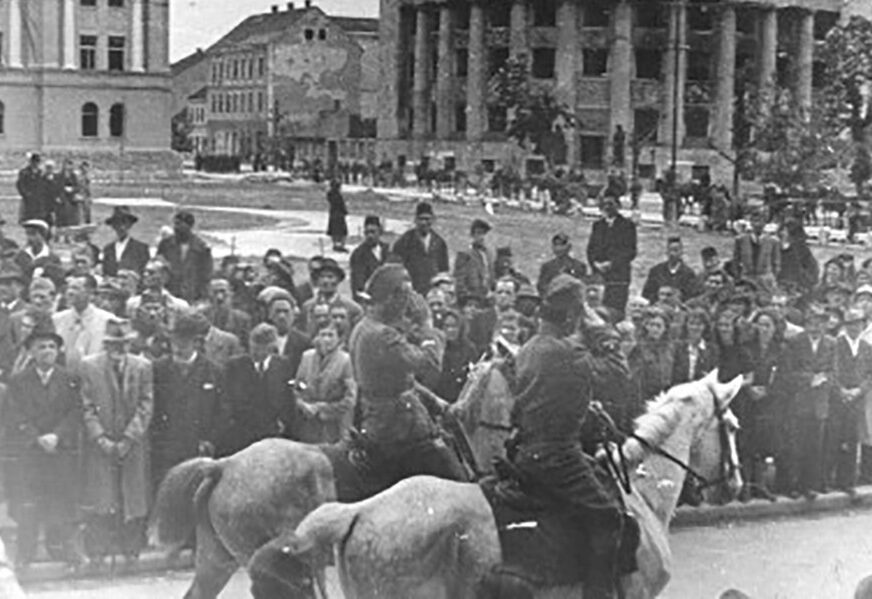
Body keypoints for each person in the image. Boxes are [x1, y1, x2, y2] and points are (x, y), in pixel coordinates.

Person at [507, 274, 633, 599]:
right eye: (580, 314)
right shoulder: (566, 353)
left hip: (527, 451)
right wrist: (600, 328)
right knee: (608, 517)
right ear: (572, 317)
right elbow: (619, 373)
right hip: (558, 457)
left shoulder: (530, 348)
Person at [349, 263, 466, 488]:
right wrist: (427, 324)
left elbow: (401, 381)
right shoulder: (382, 335)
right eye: (406, 296)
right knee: (457, 479)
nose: (409, 304)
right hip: (398, 428)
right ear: (393, 298)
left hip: (377, 418)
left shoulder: (364, 326)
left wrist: (435, 402)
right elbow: (430, 364)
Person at [3, 329, 81, 571]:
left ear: (58, 351)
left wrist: (57, 435)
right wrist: (37, 438)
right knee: (29, 505)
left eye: (51, 347)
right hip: (32, 453)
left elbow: (75, 412)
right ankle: (25, 556)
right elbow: (15, 415)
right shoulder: (18, 381)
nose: (47, 352)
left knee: (62, 503)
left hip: (59, 451)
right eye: (40, 347)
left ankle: (67, 555)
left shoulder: (69, 379)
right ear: (30, 352)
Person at [79, 318, 154, 566]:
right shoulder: (89, 366)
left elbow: (146, 404)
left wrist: (129, 438)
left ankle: (131, 552)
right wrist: (100, 437)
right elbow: (86, 405)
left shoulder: (143, 366)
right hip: (101, 444)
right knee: (102, 498)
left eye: (124, 343)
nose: (119, 348)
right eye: (113, 343)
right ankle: (98, 553)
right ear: (105, 343)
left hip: (132, 444)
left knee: (131, 498)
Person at [150, 311, 225, 492]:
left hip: (198, 447)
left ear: (197, 343)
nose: (178, 347)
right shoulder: (158, 369)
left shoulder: (213, 371)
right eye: (175, 340)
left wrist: (210, 440)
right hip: (166, 447)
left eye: (184, 341)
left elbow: (222, 410)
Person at [779, 304, 835, 500]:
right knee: (795, 445)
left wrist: (826, 379)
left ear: (825, 325)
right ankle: (792, 485)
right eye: (811, 323)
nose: (815, 327)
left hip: (820, 403)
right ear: (806, 324)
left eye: (820, 324)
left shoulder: (831, 343)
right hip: (798, 401)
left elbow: (835, 371)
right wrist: (809, 379)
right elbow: (786, 374)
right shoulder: (795, 342)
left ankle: (809, 485)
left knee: (815, 446)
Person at [219, 324, 298, 456]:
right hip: (241, 433)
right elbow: (226, 398)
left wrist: (283, 423)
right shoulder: (234, 366)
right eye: (254, 348)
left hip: (271, 433)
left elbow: (288, 399)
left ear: (271, 348)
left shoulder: (283, 366)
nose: (257, 353)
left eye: (262, 349)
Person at [735, 309, 784, 501]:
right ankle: (746, 485)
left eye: (767, 325)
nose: (763, 329)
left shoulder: (780, 349)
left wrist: (768, 391)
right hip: (747, 401)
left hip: (770, 402)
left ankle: (760, 484)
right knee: (747, 442)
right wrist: (749, 390)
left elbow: (785, 377)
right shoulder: (746, 347)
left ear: (774, 328)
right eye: (760, 324)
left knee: (764, 443)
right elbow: (739, 372)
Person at [827, 307, 872, 497]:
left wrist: (859, 390)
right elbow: (831, 371)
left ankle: (847, 481)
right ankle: (829, 478)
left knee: (852, 438)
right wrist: (841, 391)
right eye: (851, 324)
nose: (854, 328)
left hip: (856, 398)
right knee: (835, 437)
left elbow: (870, 374)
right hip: (838, 398)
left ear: (863, 325)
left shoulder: (866, 347)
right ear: (845, 326)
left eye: (858, 323)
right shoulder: (836, 345)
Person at [293, 323, 357, 444]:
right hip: (309, 427)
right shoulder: (306, 357)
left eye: (330, 335)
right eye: (322, 335)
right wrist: (302, 405)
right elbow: (298, 387)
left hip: (334, 429)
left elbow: (350, 399)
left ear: (339, 339)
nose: (326, 339)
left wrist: (322, 408)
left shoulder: (346, 361)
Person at [52, 273, 113, 372]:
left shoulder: (107, 320)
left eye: (76, 288)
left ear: (90, 293)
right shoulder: (57, 320)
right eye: (68, 288)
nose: (70, 292)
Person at [587, 195, 637, 317]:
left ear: (618, 206)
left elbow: (630, 251)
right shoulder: (597, 226)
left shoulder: (627, 226)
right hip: (599, 274)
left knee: (616, 310)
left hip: (619, 275)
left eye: (611, 204)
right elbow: (591, 249)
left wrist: (612, 264)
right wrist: (595, 263)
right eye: (604, 204)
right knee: (597, 309)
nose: (608, 207)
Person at [391, 202, 449, 295]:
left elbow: (443, 272)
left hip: (432, 295)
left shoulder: (439, 243)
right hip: (410, 293)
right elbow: (394, 270)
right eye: (421, 219)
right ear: (415, 220)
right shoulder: (404, 242)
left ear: (433, 220)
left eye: (427, 219)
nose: (424, 223)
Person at [156, 211, 213, 303]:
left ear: (189, 226)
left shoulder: (202, 248)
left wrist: (201, 296)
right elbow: (158, 267)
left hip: (192, 295)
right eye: (175, 224)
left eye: (179, 224)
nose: (175, 228)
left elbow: (206, 276)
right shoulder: (165, 245)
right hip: (169, 293)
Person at [300, 259, 363, 338]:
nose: (325, 281)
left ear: (338, 280)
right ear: (317, 280)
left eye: (330, 277)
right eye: (322, 277)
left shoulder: (353, 308)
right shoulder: (308, 307)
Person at [435, 309, 478, 403]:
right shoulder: (436, 349)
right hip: (440, 399)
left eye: (454, 326)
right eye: (446, 326)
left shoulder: (469, 348)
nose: (450, 330)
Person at [641, 236, 700, 304]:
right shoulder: (656, 271)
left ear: (681, 252)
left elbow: (691, 297)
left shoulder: (688, 274)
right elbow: (646, 294)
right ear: (666, 252)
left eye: (675, 250)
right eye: (670, 250)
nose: (672, 254)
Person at [732, 207, 780, 290]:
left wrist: (771, 279)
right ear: (751, 223)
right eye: (754, 221)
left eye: (760, 221)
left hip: (766, 282)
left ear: (765, 223)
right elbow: (736, 260)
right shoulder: (740, 240)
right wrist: (738, 278)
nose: (757, 225)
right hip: (747, 280)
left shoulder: (773, 241)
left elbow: (776, 263)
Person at [671, 308, 717, 386]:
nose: (695, 327)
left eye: (699, 324)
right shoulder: (676, 347)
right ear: (686, 325)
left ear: (705, 327)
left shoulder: (713, 350)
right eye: (691, 323)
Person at [102, 207, 151, 278]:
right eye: (117, 223)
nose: (121, 227)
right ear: (113, 226)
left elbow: (144, 272)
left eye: (124, 223)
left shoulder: (141, 248)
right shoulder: (108, 249)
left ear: (130, 225)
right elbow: (105, 272)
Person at [349, 215, 389, 303]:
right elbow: (358, 284)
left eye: (373, 232)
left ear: (380, 232)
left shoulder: (388, 250)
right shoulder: (358, 255)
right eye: (367, 233)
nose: (370, 236)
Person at [454, 219, 495, 302]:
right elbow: (459, 282)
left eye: (484, 233)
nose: (482, 237)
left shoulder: (488, 254)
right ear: (472, 235)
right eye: (479, 233)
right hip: (472, 299)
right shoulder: (465, 255)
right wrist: (467, 297)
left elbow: (490, 276)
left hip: (487, 298)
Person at [13, 220, 63, 287]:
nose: (29, 238)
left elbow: (57, 281)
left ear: (43, 236)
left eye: (33, 234)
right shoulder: (20, 256)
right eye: (27, 234)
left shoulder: (53, 258)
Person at [201, 277, 251, 344]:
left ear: (231, 293)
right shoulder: (202, 316)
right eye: (215, 292)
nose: (219, 297)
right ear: (209, 295)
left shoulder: (242, 319)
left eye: (223, 291)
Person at [536, 233, 587, 298]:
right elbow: (541, 286)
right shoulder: (547, 267)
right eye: (556, 245)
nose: (558, 248)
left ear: (569, 247)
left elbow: (582, 285)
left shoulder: (579, 266)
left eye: (561, 245)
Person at [777, 219, 818, 296]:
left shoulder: (801, 250)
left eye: (786, 231)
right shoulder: (775, 247)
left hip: (795, 288)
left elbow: (812, 271)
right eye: (782, 230)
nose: (782, 233)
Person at [16, 153, 48, 224]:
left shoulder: (42, 172)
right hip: (28, 199)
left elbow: (45, 185)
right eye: (34, 162)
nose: (36, 164)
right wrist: (26, 194)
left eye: (37, 162)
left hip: (39, 199)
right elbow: (20, 185)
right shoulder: (24, 172)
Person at [55, 159, 80, 228]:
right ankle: (59, 234)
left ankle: (69, 235)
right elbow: (56, 187)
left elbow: (78, 187)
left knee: (71, 219)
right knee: (61, 217)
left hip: (71, 198)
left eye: (70, 165)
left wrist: (72, 189)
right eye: (66, 165)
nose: (68, 167)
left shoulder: (74, 176)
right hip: (62, 198)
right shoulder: (58, 175)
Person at [326, 179, 349, 252]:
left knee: (334, 229)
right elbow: (341, 204)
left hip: (333, 213)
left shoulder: (330, 194)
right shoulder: (338, 195)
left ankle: (335, 244)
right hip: (339, 214)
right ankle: (341, 245)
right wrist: (345, 211)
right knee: (342, 230)